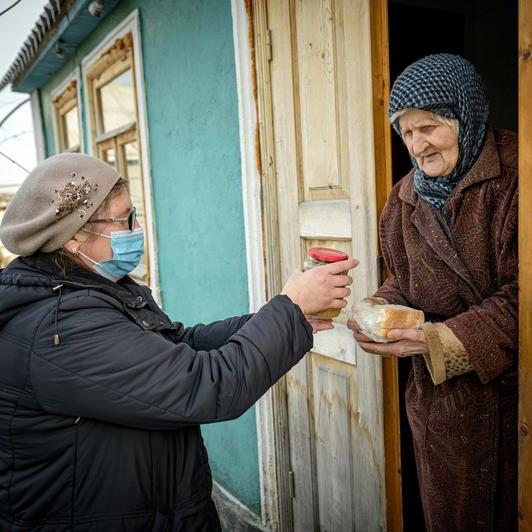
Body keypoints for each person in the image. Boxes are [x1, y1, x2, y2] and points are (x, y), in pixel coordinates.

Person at [0, 153, 356, 531]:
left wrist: (287, 318)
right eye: (125, 220)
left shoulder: (89, 293)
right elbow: (203, 385)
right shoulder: (60, 327)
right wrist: (290, 307)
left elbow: (178, 345)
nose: (136, 229)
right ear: (74, 237)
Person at [348, 54, 517, 531]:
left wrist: (436, 340)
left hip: (514, 396)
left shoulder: (517, 177)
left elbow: (523, 296)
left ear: (465, 115)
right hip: (443, 407)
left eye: (429, 127)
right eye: (405, 132)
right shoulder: (402, 199)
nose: (417, 145)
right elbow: (404, 276)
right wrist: (379, 304)